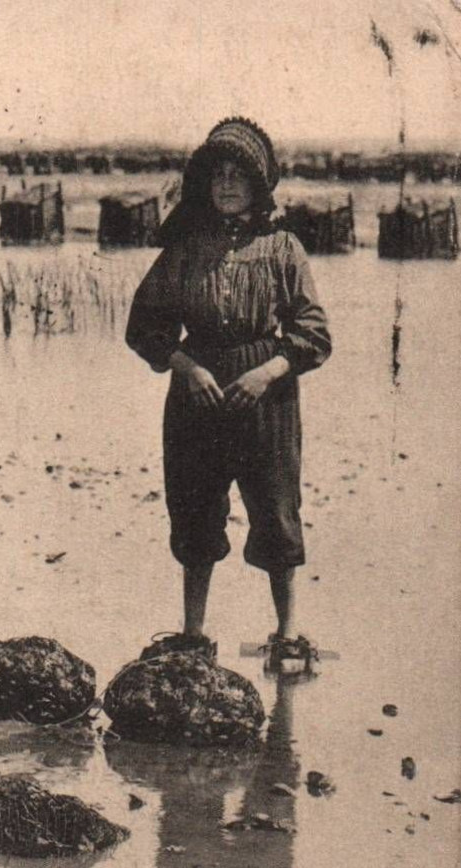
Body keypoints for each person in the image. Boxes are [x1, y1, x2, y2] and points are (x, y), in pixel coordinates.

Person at [125, 118, 331, 663]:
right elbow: (144, 325)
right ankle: (193, 636)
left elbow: (313, 334)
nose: (227, 184)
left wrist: (267, 373)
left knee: (276, 510)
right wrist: (185, 368)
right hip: (197, 396)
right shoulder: (185, 249)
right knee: (194, 510)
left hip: (266, 397)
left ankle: (286, 636)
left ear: (259, 184)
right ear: (204, 185)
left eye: (238, 174)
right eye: (217, 175)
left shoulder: (284, 248)